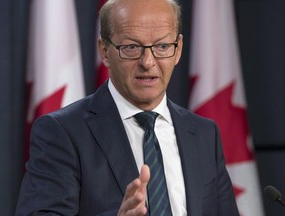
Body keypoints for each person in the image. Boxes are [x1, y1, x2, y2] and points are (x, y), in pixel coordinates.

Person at [15, 0, 239, 215]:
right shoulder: (63, 132)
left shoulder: (203, 133)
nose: (148, 62)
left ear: (178, 49)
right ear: (104, 50)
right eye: (132, 47)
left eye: (162, 46)